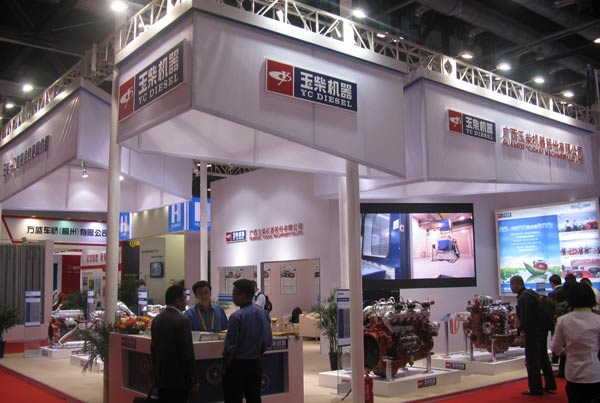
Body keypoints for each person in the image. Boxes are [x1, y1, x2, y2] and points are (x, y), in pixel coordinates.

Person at [222, 279, 273, 403]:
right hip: (255, 363)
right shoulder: (264, 314)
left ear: (243, 295)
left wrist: (224, 367)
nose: (232, 297)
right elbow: (268, 341)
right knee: (254, 397)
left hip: (237, 366)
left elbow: (230, 347)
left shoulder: (236, 317)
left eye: (234, 294)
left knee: (233, 398)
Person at [551, 282, 600, 403]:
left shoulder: (563, 320)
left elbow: (555, 348)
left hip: (573, 373)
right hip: (594, 372)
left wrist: (566, 351)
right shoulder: (597, 320)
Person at [151, 285, 199, 403]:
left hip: (162, 379)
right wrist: (193, 379)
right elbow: (187, 353)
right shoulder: (182, 321)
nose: (186, 302)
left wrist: (155, 378)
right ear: (177, 300)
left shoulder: (157, 319)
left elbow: (154, 350)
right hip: (179, 380)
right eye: (184, 298)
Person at [510, 275, 557, 396]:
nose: (511, 288)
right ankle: (550, 384)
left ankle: (535, 388)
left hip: (533, 334)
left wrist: (521, 333)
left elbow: (526, 319)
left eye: (512, 285)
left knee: (532, 361)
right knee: (543, 358)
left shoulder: (523, 298)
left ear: (517, 284)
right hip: (541, 331)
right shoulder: (531, 294)